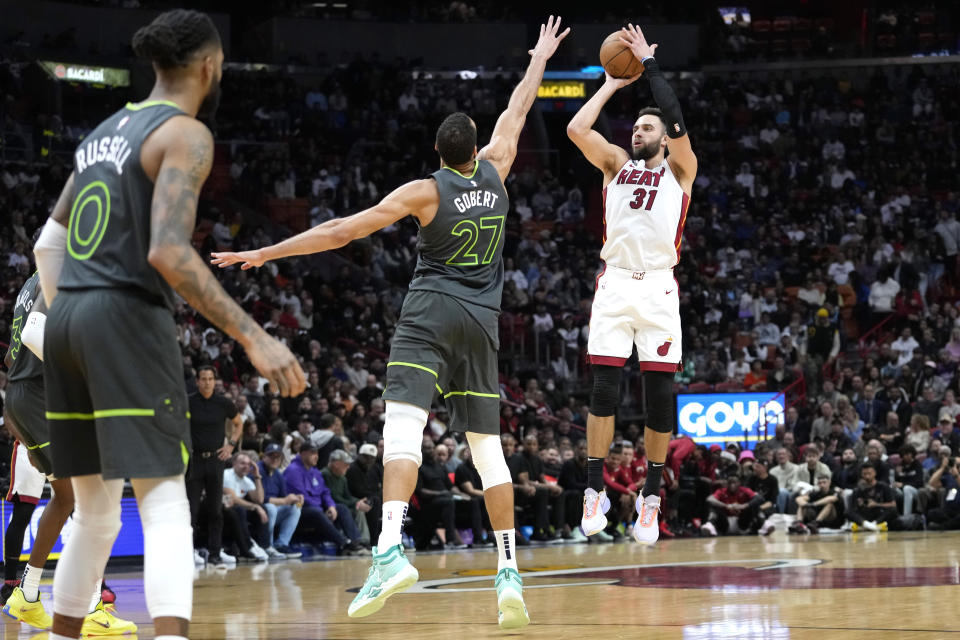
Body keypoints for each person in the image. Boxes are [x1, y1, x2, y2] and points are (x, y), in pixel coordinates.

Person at [210, 15, 571, 629]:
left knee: (402, 432)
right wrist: (538, 55)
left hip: (429, 317)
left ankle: (389, 551)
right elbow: (520, 103)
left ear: (437, 153)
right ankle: (509, 571)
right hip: (481, 326)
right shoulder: (500, 165)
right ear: (476, 146)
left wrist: (266, 252)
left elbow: (340, 231)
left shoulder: (424, 192)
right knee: (489, 455)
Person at [32, 11, 305, 640]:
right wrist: (254, 336)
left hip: (66, 314)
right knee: (162, 502)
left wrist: (75, 312)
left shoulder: (103, 131)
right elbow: (168, 251)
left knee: (96, 514)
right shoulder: (185, 133)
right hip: (123, 314)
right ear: (209, 66)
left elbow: (49, 244)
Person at [566, 23, 697, 546]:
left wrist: (650, 66)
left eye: (647, 129)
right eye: (636, 128)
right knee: (603, 388)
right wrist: (610, 85)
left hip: (660, 288)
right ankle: (594, 489)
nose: (637, 133)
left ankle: (652, 495)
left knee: (659, 396)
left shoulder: (681, 172)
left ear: (664, 139)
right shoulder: (615, 165)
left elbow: (675, 115)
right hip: (615, 283)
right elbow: (578, 129)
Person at [2, 275, 135, 633]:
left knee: (64, 500)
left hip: (24, 399)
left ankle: (27, 595)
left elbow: (12, 355)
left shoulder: (29, 287)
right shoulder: (58, 272)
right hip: (39, 400)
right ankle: (90, 611)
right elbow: (33, 337)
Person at [186, 365, 243, 568]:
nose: (207, 382)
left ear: (214, 380)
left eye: (210, 378)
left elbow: (239, 422)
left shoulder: (223, 403)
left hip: (216, 461)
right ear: (198, 381)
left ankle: (215, 552)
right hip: (195, 461)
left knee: (215, 510)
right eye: (203, 378)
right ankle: (189, 552)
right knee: (191, 510)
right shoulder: (189, 401)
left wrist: (231, 445)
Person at [283, 442, 367, 555]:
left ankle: (357, 541)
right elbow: (302, 498)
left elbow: (325, 492)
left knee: (341, 508)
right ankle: (344, 543)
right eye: (312, 453)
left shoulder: (315, 472)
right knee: (315, 512)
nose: (316, 456)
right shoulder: (293, 471)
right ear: (302, 454)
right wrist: (322, 509)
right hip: (300, 511)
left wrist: (331, 506)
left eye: (317, 453)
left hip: (318, 509)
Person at [221, 452, 270, 561]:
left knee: (263, 508)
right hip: (223, 506)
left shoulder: (247, 480)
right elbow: (231, 498)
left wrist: (257, 476)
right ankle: (249, 545)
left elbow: (259, 499)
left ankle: (265, 546)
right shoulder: (226, 474)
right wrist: (255, 507)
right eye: (242, 463)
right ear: (234, 464)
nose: (246, 466)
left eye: (248, 464)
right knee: (241, 510)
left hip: (235, 507)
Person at [258, 443, 303, 558]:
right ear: (264, 457)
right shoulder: (257, 470)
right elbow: (259, 499)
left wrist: (295, 498)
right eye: (271, 456)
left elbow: (284, 497)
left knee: (295, 508)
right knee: (271, 508)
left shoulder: (278, 474)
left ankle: (281, 544)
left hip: (272, 513)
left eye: (278, 457)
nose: (275, 459)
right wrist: (284, 501)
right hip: (257, 512)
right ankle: (268, 546)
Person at [847, 462, 899, 531]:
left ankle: (870, 525)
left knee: (893, 510)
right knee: (847, 512)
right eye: (864, 474)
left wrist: (876, 504)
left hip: (879, 514)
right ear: (861, 475)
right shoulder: (858, 490)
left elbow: (893, 504)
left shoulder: (883, 486)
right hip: (865, 516)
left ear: (875, 473)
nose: (867, 476)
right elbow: (852, 509)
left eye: (869, 473)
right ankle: (871, 526)